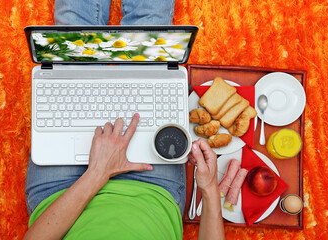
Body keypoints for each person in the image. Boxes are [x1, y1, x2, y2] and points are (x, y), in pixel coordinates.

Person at [24, 1, 225, 239]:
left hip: (62, 195)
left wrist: (97, 173)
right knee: (150, 31)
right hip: (152, 190)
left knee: (74, 37)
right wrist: (210, 188)